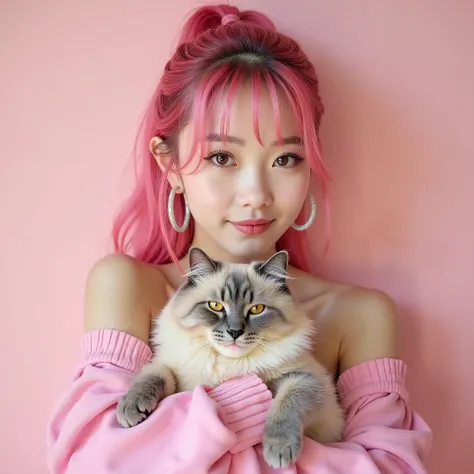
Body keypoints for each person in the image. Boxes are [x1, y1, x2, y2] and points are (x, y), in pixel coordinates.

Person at [46, 4, 432, 473]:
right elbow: (96, 462)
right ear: (170, 165)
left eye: (286, 159)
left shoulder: (359, 316)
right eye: (223, 157)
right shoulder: (131, 286)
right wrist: (262, 394)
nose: (256, 195)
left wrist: (184, 431)